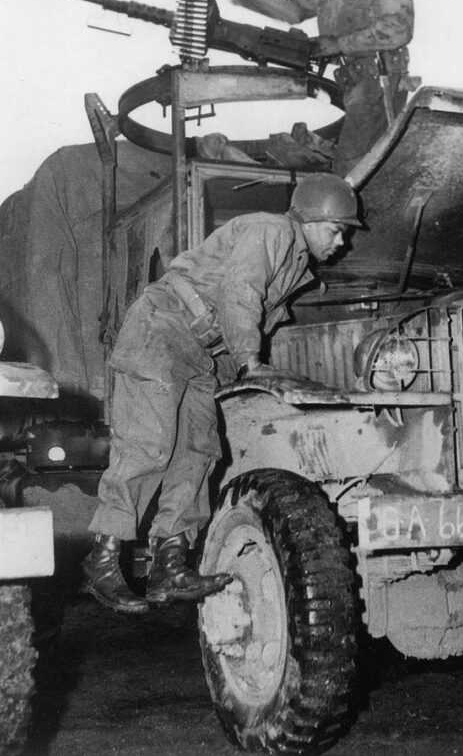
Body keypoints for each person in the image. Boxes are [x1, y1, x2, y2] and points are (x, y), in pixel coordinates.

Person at [82, 174, 362, 614]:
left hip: (199, 352)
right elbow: (239, 293)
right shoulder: (270, 230)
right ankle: (102, 559)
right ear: (309, 219)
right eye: (336, 229)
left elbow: (249, 317)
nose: (341, 241)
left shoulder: (296, 266)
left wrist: (235, 374)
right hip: (163, 326)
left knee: (199, 449)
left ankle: (169, 567)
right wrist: (251, 361)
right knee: (150, 444)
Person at [233, 0, 414, 177]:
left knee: (351, 171)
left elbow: (399, 28)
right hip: (355, 86)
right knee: (350, 167)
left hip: (378, 84)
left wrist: (338, 44)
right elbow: (295, 6)